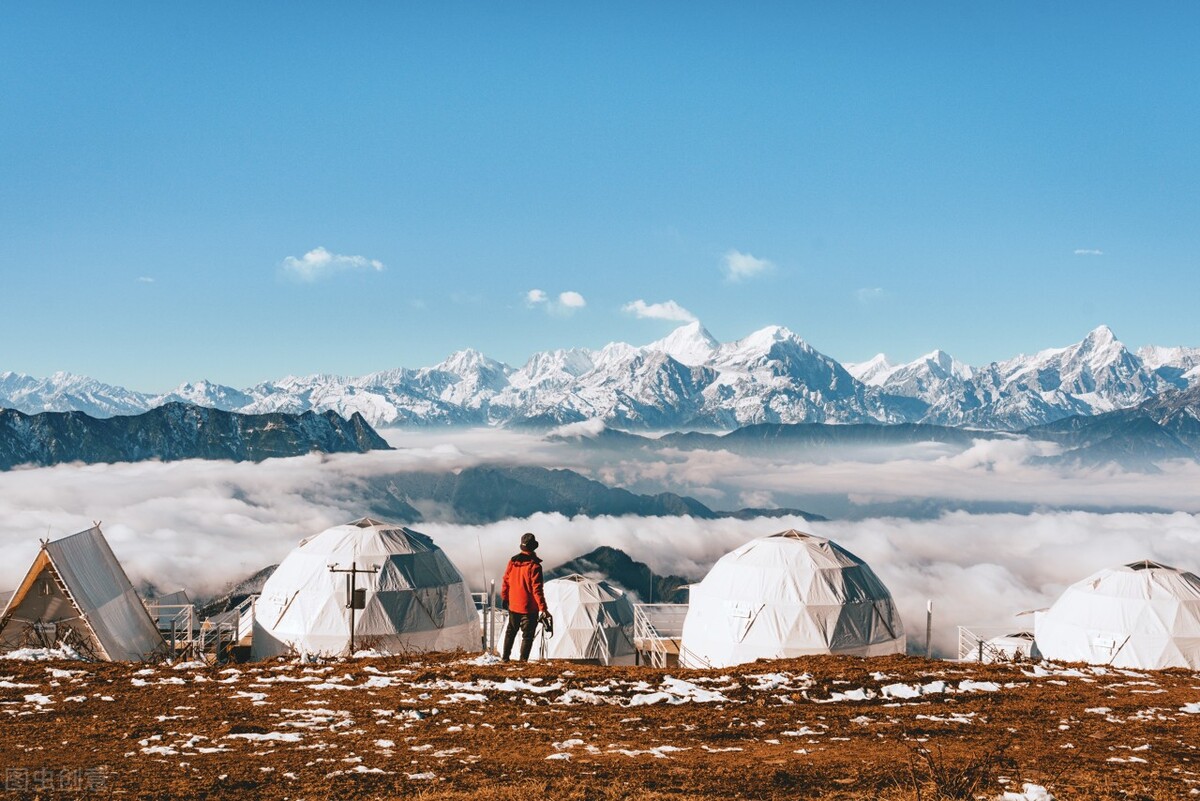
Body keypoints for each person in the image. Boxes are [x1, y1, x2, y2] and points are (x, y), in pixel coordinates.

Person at [500, 532, 551, 661]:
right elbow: (537, 590)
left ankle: (505, 659)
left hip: (513, 604)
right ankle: (522, 662)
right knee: (527, 636)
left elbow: (506, 580)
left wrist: (505, 597)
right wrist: (543, 609)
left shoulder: (513, 561)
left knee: (510, 632)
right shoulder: (535, 566)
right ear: (533, 547)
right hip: (528, 608)